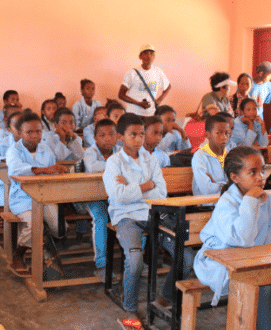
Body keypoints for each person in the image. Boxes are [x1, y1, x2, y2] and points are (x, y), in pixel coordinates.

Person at [193, 146, 271, 329]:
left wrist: (264, 253)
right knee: (260, 286)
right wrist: (250, 201)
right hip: (223, 264)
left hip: (256, 259)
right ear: (235, 177)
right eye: (253, 172)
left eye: (263, 170)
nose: (261, 177)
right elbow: (242, 239)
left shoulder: (267, 199)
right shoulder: (227, 203)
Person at [102, 113, 193, 316]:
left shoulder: (151, 160)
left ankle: (165, 297)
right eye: (132, 134)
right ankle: (130, 307)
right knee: (135, 261)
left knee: (186, 258)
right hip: (126, 217)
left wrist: (133, 188)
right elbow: (119, 196)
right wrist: (146, 185)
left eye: (141, 134)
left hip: (154, 214)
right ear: (120, 137)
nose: (138, 139)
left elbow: (161, 193)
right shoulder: (114, 163)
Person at [6, 112, 67, 277]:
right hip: (22, 198)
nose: (34, 136)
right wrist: (45, 170)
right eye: (29, 132)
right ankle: (18, 255)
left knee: (59, 226)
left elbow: (52, 172)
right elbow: (17, 171)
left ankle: (44, 246)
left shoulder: (46, 149)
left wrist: (56, 171)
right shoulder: (14, 151)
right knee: (34, 224)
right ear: (19, 133)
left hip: (44, 196)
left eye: (38, 131)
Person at [81, 118, 119, 280]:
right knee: (101, 219)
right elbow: (92, 166)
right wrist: (117, 165)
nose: (108, 138)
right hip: (93, 197)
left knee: (135, 214)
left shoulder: (120, 150)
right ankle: (102, 264)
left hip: (115, 197)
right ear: (95, 138)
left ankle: (136, 260)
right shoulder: (91, 151)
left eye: (112, 134)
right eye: (102, 135)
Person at [118, 44, 171, 117]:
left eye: (151, 53)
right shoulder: (131, 73)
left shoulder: (158, 72)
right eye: (145, 53)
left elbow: (168, 86)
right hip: (133, 114)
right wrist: (138, 103)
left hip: (151, 114)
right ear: (140, 56)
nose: (149, 56)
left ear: (154, 56)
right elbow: (121, 95)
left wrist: (159, 100)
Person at [192, 115, 229, 196]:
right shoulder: (200, 156)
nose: (224, 137)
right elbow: (207, 189)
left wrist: (216, 183)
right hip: (206, 203)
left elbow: (239, 183)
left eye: (227, 133)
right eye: (219, 133)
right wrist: (227, 184)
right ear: (207, 135)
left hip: (227, 200)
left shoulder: (230, 154)